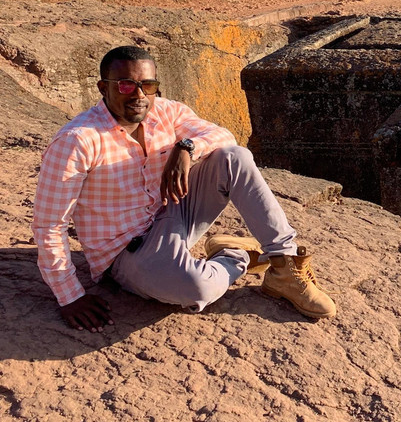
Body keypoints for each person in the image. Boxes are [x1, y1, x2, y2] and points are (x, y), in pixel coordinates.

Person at [32, 45, 335, 332]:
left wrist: (186, 147)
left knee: (234, 157)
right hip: (126, 253)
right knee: (198, 289)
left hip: (174, 213)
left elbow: (225, 136)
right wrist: (69, 296)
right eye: (126, 85)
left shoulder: (165, 112)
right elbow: (49, 224)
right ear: (103, 88)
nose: (139, 95)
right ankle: (235, 256)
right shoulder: (77, 141)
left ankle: (284, 264)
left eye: (148, 85)